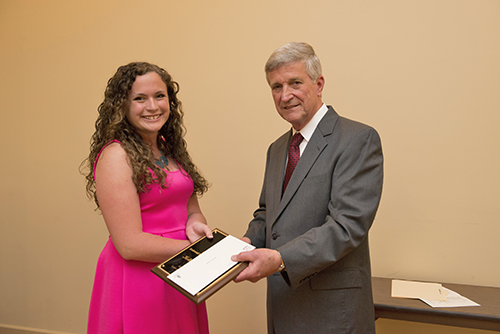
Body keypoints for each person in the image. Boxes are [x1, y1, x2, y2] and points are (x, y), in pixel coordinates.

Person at [231, 42, 384, 333]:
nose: (285, 95)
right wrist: (246, 245)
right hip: (283, 307)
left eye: (295, 83)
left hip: (332, 315)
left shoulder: (357, 139)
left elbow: (346, 226)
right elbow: (267, 214)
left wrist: (279, 259)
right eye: (276, 87)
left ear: (319, 84)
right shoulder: (277, 149)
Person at [81, 62, 211, 334]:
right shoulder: (116, 156)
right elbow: (129, 245)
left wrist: (195, 225)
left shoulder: (167, 147)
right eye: (139, 98)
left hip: (179, 273)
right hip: (140, 279)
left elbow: (190, 209)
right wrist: (197, 251)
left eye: (159, 96)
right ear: (122, 106)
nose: (152, 106)